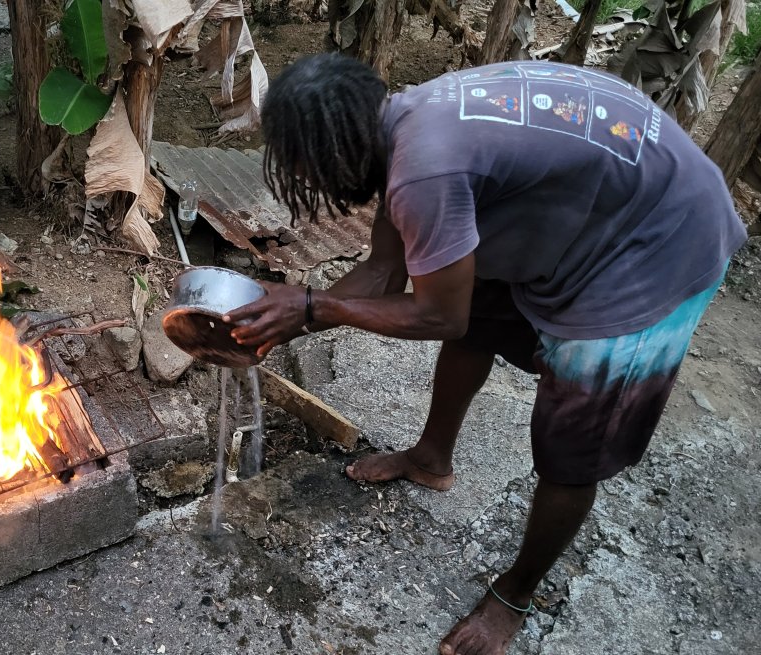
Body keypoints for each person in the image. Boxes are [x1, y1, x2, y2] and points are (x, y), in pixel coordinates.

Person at [222, 54, 747, 655]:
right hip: (615, 204)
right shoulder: (399, 125)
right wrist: (273, 326)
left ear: (336, 145)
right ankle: (431, 457)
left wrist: (312, 306)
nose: (301, 177)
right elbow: (383, 273)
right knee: (485, 315)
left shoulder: (424, 171)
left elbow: (440, 314)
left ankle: (515, 593)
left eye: (299, 164)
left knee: (572, 436)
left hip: (662, 241)